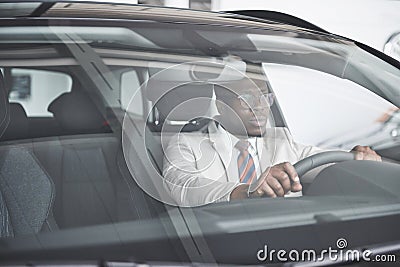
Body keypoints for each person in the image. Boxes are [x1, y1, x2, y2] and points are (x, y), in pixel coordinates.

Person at [162, 74, 382, 207]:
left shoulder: (282, 141)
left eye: (265, 97)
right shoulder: (187, 143)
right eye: (248, 98)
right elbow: (183, 186)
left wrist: (359, 162)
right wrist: (246, 192)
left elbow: (328, 163)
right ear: (221, 104)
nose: (260, 106)